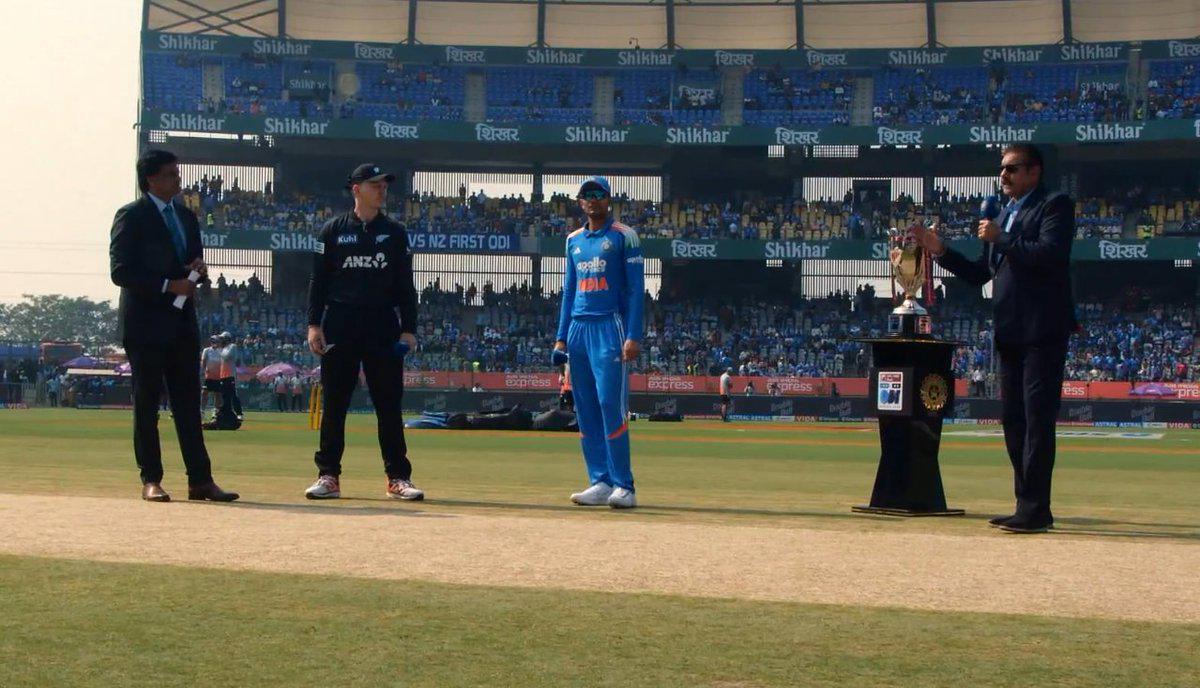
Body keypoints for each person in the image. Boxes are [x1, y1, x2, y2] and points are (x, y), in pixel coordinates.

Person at [913, 143, 1075, 534]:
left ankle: (1036, 509)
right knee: (1014, 421)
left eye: (1012, 168)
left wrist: (1001, 237)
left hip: (1043, 329)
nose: (1004, 175)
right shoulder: (1003, 213)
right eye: (1002, 169)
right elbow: (979, 274)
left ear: (1034, 171)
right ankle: (1025, 504)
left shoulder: (1054, 205)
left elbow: (1049, 255)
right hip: (1009, 331)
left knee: (1037, 421)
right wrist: (941, 251)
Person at [108, 149, 238, 503]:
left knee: (188, 403)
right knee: (147, 403)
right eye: (171, 174)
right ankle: (151, 478)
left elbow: (191, 261)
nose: (178, 180)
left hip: (181, 322)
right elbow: (120, 271)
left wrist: (197, 271)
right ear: (151, 179)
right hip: (145, 323)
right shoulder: (132, 216)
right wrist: (169, 285)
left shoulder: (185, 216)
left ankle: (201, 480)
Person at [304, 163, 423, 501]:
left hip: (382, 323)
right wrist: (314, 324)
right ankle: (328, 475)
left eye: (385, 185)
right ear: (356, 189)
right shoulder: (332, 231)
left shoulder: (395, 232)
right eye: (375, 185)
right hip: (340, 322)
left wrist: (409, 329)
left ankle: (398, 478)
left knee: (389, 404)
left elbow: (406, 285)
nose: (382, 190)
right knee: (335, 404)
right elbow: (318, 282)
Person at [554, 176, 644, 509]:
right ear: (580, 202)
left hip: (609, 326)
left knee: (610, 404)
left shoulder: (624, 236)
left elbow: (635, 290)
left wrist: (633, 334)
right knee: (586, 408)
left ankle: (624, 485)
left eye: (599, 194)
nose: (593, 199)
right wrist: (561, 338)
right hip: (578, 329)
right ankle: (600, 481)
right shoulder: (573, 240)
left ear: (608, 199)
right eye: (587, 195)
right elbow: (569, 291)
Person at [217, 332, 242, 419]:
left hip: (230, 375)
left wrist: (219, 349)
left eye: (222, 338)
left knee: (233, 394)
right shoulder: (223, 348)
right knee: (225, 396)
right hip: (223, 375)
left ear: (227, 339)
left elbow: (227, 356)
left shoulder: (232, 346)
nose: (221, 340)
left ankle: (239, 413)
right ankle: (227, 413)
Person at [200, 335, 223, 413]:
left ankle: (215, 411)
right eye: (213, 341)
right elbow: (203, 361)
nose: (214, 343)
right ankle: (202, 410)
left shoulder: (222, 351)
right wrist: (203, 371)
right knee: (204, 392)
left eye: (216, 341)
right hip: (208, 376)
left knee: (217, 394)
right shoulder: (206, 350)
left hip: (218, 376)